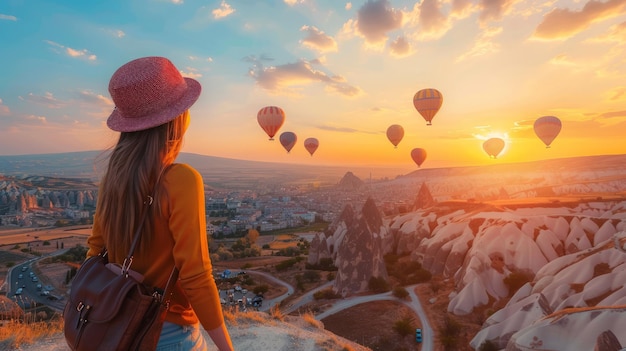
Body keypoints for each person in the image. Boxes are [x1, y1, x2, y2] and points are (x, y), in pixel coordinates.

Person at [86, 56, 234, 351]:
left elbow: (95, 252)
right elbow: (196, 275)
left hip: (116, 330)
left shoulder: (112, 179)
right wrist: (227, 348)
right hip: (167, 332)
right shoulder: (181, 179)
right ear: (175, 120)